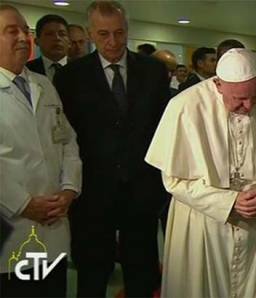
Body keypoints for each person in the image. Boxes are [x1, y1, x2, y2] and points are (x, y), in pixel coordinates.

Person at [145, 48, 256, 298]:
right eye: (238, 99)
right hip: (202, 226)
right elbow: (174, 180)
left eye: (254, 97)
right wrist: (228, 201)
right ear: (219, 84)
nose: (247, 106)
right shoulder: (184, 106)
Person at [54, 1, 170, 297]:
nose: (113, 42)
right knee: (92, 278)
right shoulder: (70, 77)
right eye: (104, 34)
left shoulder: (153, 71)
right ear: (91, 34)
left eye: (119, 33)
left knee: (142, 275)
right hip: (92, 195)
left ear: (128, 30)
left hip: (142, 194)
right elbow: (66, 138)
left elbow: (163, 130)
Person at [0, 4, 81, 297]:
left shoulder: (44, 84)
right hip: (11, 227)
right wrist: (23, 204)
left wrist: (70, 189)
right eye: (12, 31)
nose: (23, 37)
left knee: (51, 290)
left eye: (25, 30)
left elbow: (68, 141)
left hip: (53, 224)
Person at [26, 14, 70, 81]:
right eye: (50, 34)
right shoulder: (27, 69)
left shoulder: (81, 68)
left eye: (62, 34)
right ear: (36, 41)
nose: (57, 38)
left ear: (69, 40)